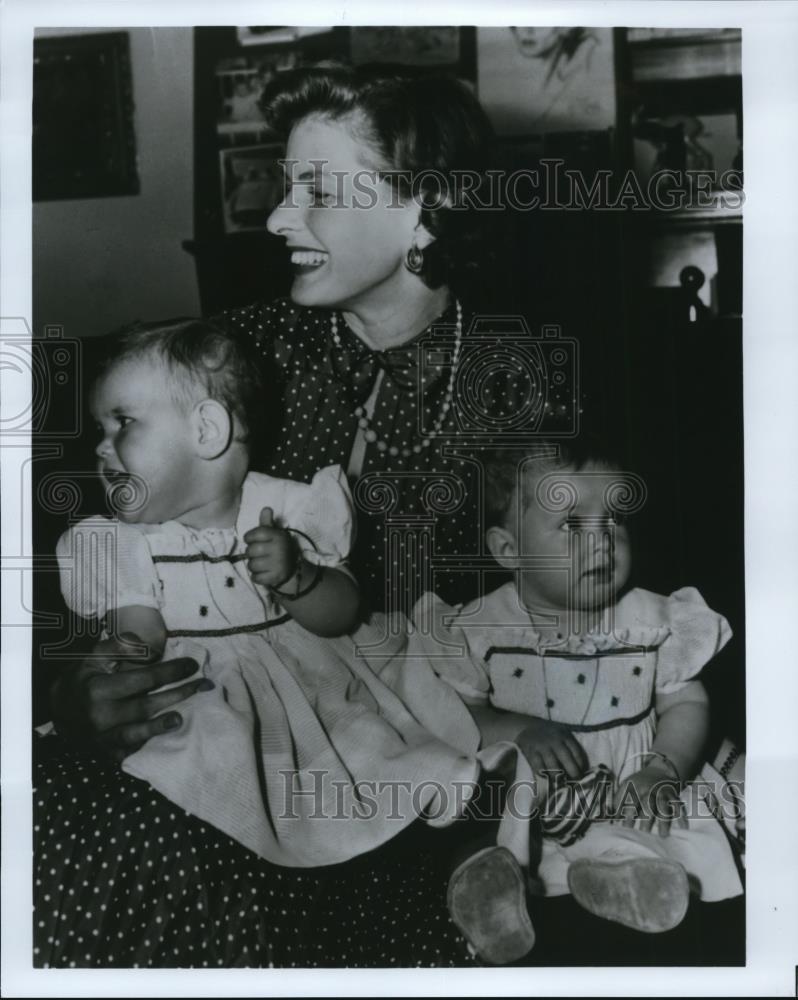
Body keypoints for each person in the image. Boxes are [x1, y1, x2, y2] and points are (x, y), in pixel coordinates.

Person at [34, 66, 545, 968]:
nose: (276, 219)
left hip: (394, 761)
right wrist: (74, 690)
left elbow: (561, 612)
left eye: (317, 190)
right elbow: (128, 545)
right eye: (283, 186)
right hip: (209, 726)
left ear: (425, 211)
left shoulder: (522, 388)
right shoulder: (235, 356)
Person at [436, 437, 744, 951]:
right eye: (572, 524)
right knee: (481, 828)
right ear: (509, 550)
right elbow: (456, 714)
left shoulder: (649, 620)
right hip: (532, 803)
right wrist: (518, 731)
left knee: (655, 834)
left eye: (614, 519)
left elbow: (686, 702)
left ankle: (619, 882)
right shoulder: (482, 629)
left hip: (628, 790)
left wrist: (662, 768)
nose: (602, 541)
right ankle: (492, 892)